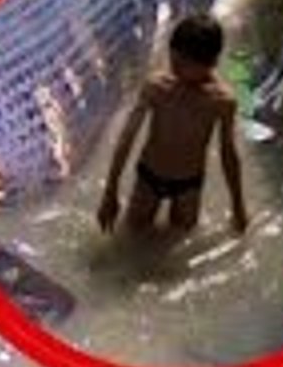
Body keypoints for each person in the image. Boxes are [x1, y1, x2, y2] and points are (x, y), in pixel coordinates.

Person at [97, 12, 248, 243]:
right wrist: (111, 189)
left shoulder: (221, 101)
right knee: (130, 237)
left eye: (182, 64)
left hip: (189, 184)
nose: (174, 68)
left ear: (210, 63)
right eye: (172, 60)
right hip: (149, 177)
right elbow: (127, 136)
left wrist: (238, 205)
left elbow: (229, 153)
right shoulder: (157, 88)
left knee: (180, 241)